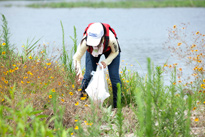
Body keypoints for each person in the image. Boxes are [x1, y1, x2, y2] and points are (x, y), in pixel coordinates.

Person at [73, 22, 121, 108]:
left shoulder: (111, 39)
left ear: (102, 37)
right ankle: (81, 104)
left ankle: (117, 107)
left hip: (111, 51)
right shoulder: (85, 41)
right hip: (92, 52)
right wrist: (79, 73)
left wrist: (106, 61)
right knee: (87, 76)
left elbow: (116, 52)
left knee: (114, 78)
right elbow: (76, 57)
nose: (94, 44)